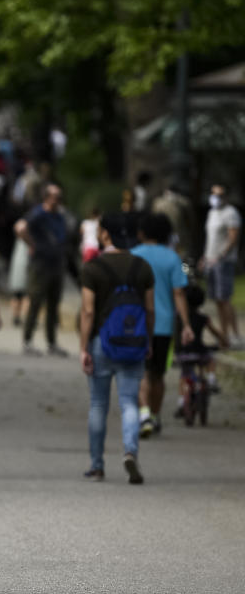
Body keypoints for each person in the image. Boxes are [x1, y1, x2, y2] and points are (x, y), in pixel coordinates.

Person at [79, 213, 155, 484]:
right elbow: (149, 308)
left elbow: (88, 311)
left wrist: (83, 347)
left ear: (106, 235)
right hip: (133, 342)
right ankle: (130, 452)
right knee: (129, 401)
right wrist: (148, 339)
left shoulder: (93, 267)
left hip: (101, 341)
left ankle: (97, 465)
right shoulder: (142, 266)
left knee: (98, 404)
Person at [131, 213, 195, 436]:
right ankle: (155, 417)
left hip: (137, 324)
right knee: (158, 374)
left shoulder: (133, 255)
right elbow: (179, 292)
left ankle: (144, 414)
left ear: (142, 232)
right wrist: (186, 324)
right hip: (163, 326)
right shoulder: (173, 258)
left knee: (140, 372)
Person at [16, 183, 68, 356]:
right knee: (36, 301)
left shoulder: (59, 215)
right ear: (47, 197)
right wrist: (32, 244)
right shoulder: (38, 213)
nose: (59, 200)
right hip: (40, 265)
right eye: (56, 197)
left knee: (53, 304)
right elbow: (20, 227)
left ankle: (51, 343)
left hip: (56, 264)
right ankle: (27, 341)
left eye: (60, 197)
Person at [201, 184, 242, 348]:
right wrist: (205, 257)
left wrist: (221, 255)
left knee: (224, 298)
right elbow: (210, 239)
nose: (215, 197)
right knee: (217, 299)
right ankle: (224, 334)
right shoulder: (212, 213)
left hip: (223, 262)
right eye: (213, 193)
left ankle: (233, 334)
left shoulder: (231, 213)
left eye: (219, 194)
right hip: (210, 260)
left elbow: (233, 238)